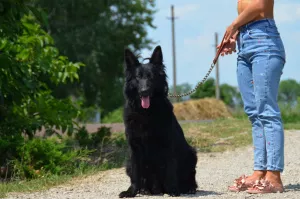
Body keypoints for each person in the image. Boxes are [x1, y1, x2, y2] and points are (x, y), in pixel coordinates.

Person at [218, 0, 286, 194]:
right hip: (245, 44)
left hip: (265, 42)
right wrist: (236, 35)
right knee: (254, 113)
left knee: (266, 111)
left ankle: (274, 177)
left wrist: (232, 26)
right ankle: (259, 171)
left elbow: (259, 5)